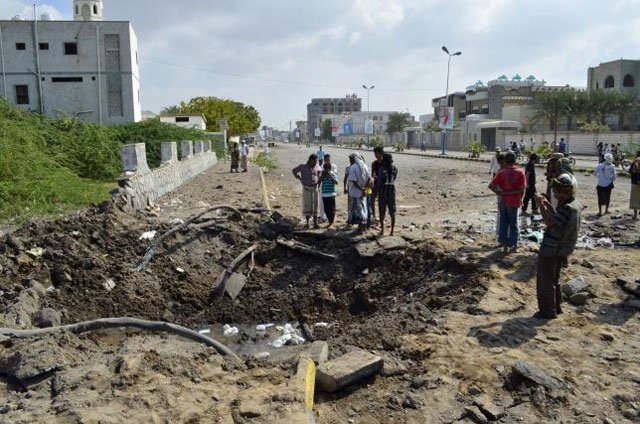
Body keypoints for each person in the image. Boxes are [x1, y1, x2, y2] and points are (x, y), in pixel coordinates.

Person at [534, 174, 581, 320]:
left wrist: (540, 204)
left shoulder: (566, 207)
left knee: (545, 280)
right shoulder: (574, 204)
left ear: (564, 192)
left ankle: (547, 312)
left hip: (552, 247)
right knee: (554, 278)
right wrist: (548, 204)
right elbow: (557, 219)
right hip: (562, 248)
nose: (554, 194)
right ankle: (556, 307)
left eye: (556, 191)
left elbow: (549, 222)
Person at [489, 151, 527, 253]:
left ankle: (505, 246)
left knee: (504, 223)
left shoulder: (501, 172)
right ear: (515, 160)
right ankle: (514, 246)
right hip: (514, 202)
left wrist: (500, 193)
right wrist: (519, 197)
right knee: (514, 224)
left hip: (503, 202)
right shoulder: (520, 172)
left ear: (505, 161)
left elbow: (491, 186)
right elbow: (522, 190)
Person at [292, 154, 322, 229]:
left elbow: (320, 174)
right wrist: (298, 177)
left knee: (315, 205)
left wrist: (318, 180)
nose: (316, 162)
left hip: (315, 188)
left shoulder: (317, 166)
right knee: (307, 205)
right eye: (314, 161)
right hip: (306, 188)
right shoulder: (303, 167)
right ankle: (307, 223)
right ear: (310, 160)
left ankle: (315, 224)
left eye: (316, 161)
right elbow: (294, 171)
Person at [346, 153, 371, 235]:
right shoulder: (366, 167)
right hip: (363, 193)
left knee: (358, 210)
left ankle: (360, 229)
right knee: (364, 209)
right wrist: (365, 188)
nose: (350, 161)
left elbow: (353, 181)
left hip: (356, 193)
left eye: (351, 159)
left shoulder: (353, 167)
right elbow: (369, 179)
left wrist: (361, 188)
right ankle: (363, 228)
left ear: (354, 159)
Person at [377, 153, 398, 236]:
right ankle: (392, 231)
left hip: (383, 191)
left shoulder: (381, 169)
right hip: (391, 191)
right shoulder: (394, 168)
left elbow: (379, 182)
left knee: (382, 210)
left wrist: (378, 191)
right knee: (392, 211)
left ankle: (382, 230)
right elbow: (394, 178)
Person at [320, 162, 338, 227]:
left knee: (332, 208)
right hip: (324, 194)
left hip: (331, 194)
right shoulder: (322, 174)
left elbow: (336, 182)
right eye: (325, 168)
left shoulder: (333, 174)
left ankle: (331, 222)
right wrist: (322, 175)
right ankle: (330, 221)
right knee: (326, 209)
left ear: (330, 168)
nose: (326, 170)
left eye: (327, 168)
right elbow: (319, 182)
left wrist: (329, 175)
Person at [371, 146, 384, 223]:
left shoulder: (385, 163)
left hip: (383, 185)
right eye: (375, 153)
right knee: (372, 200)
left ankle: (381, 216)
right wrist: (375, 176)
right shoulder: (374, 163)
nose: (375, 155)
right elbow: (372, 174)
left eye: (377, 153)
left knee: (382, 201)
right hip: (376, 184)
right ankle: (374, 216)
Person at [630, 150, 640, 220]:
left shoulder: (635, 161)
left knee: (635, 199)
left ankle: (635, 215)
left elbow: (630, 171)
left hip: (635, 182)